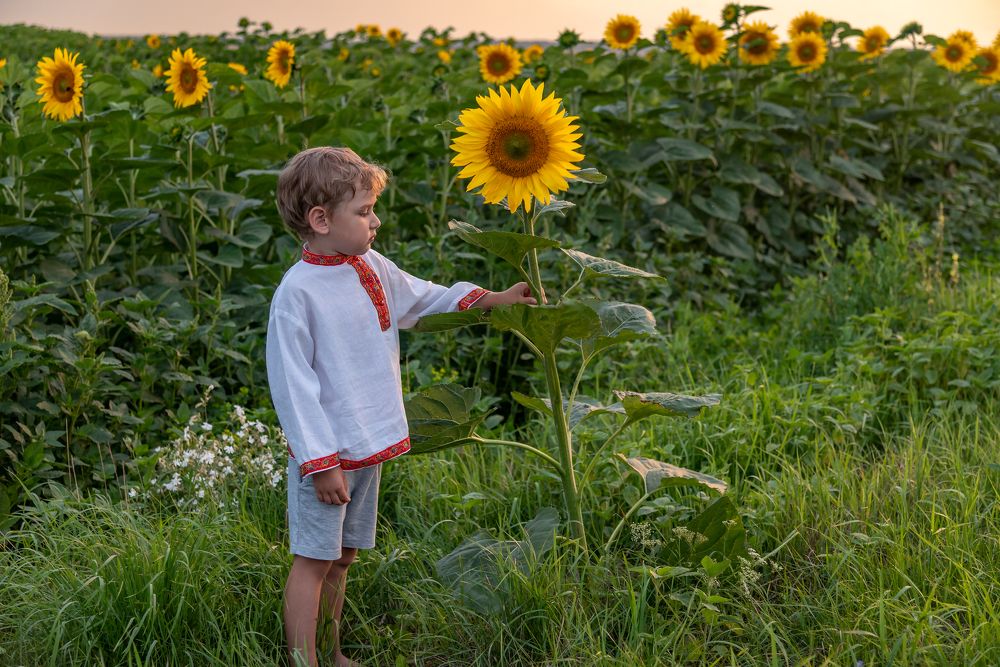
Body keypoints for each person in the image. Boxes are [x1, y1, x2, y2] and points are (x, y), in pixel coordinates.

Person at [265, 146, 535, 667]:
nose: (376, 221)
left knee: (342, 558)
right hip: (327, 458)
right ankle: (304, 662)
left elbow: (424, 297)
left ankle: (333, 652)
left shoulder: (370, 265)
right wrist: (320, 464)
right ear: (320, 220)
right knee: (313, 561)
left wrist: (494, 299)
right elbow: (293, 386)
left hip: (368, 445)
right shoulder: (297, 294)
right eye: (364, 211)